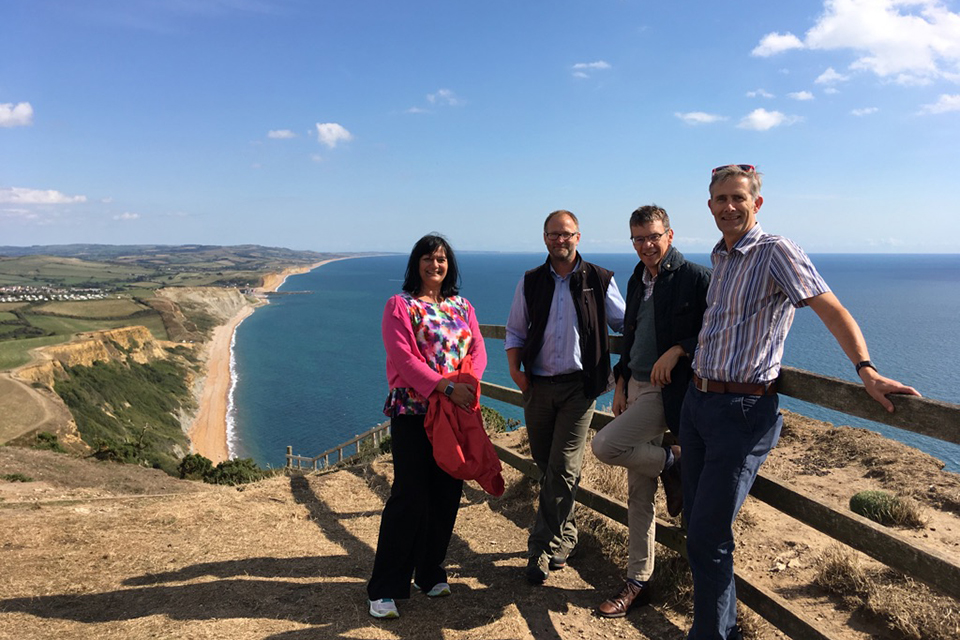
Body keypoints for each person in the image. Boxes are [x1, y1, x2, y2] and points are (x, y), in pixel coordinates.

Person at [681, 165, 920, 640]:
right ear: (709, 206)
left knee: (708, 536)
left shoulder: (776, 252)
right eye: (720, 199)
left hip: (742, 411)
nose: (729, 207)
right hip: (698, 403)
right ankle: (718, 627)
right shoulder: (721, 256)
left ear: (757, 203)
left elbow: (832, 309)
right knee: (698, 527)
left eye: (738, 198)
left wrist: (865, 370)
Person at [591, 205, 710, 617]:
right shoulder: (636, 279)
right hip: (636, 386)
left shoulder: (695, 277)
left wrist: (679, 350)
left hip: (667, 393)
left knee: (604, 445)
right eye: (638, 239)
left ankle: (670, 459)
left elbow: (716, 328)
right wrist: (621, 381)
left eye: (653, 237)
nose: (646, 246)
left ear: (670, 235)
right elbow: (632, 336)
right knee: (638, 495)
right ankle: (637, 581)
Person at [367, 233, 487, 619]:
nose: (435, 265)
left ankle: (430, 570)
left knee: (447, 493)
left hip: (454, 413)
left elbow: (478, 350)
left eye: (441, 259)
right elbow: (402, 358)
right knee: (409, 495)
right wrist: (446, 386)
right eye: (428, 258)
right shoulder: (399, 306)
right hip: (414, 412)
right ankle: (385, 586)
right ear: (415, 263)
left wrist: (466, 386)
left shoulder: (462, 305)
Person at [505, 209, 626, 584]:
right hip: (538, 386)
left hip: (579, 389)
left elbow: (626, 322)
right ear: (545, 238)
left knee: (563, 468)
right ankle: (568, 532)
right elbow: (515, 331)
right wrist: (515, 373)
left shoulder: (600, 279)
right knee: (548, 466)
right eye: (554, 234)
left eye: (567, 234)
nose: (561, 240)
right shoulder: (530, 281)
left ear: (579, 237)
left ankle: (539, 548)